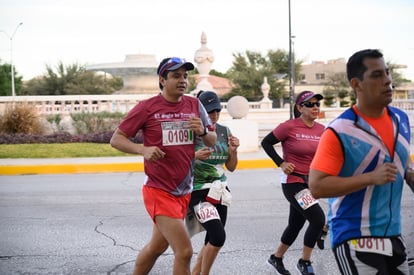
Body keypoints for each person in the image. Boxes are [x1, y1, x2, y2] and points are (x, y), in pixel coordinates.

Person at [309, 49, 414, 275]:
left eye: (387, 73)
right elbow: (316, 186)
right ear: (357, 84)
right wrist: (370, 178)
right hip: (355, 236)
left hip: (393, 234)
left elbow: (402, 164)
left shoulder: (401, 120)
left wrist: (410, 174)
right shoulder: (340, 131)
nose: (387, 81)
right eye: (377, 75)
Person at [110, 57, 217, 275]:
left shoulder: (194, 105)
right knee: (184, 251)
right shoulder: (147, 108)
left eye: (185, 76)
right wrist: (143, 150)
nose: (182, 80)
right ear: (162, 79)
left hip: (184, 190)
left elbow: (213, 140)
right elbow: (117, 139)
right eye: (176, 76)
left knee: (157, 247)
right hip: (159, 190)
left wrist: (204, 132)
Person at [261, 91, 326, 275]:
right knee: (318, 219)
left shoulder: (322, 130)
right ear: (299, 108)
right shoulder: (289, 127)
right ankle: (304, 262)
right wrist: (281, 163)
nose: (315, 107)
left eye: (317, 104)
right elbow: (266, 143)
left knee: (296, 224)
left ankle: (276, 257)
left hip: (311, 182)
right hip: (293, 182)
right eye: (310, 104)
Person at [185, 90, 240, 275]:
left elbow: (231, 167)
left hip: (220, 191)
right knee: (218, 236)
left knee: (211, 240)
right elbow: (175, 159)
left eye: (217, 110)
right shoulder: (191, 130)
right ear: (200, 111)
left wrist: (233, 151)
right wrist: (194, 156)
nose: (214, 115)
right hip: (198, 191)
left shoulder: (224, 131)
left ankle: (196, 273)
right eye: (209, 111)